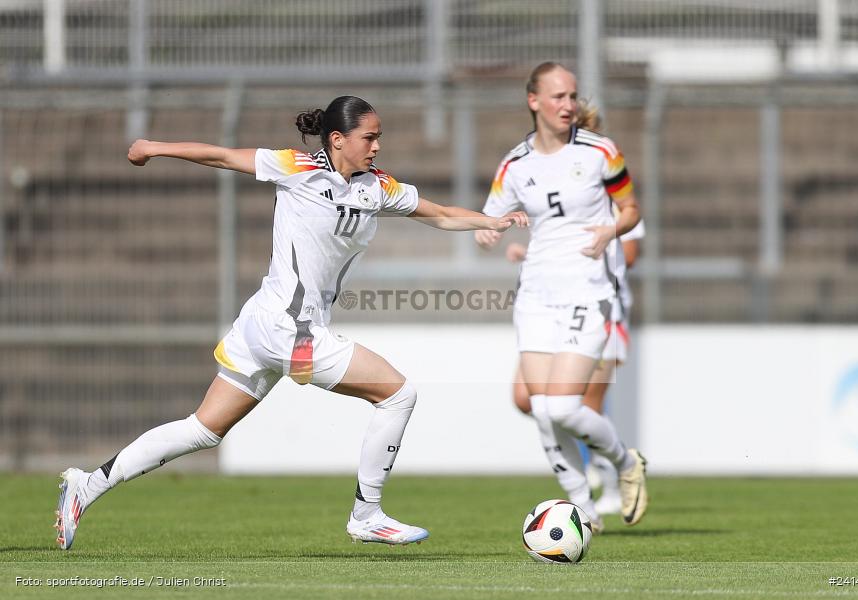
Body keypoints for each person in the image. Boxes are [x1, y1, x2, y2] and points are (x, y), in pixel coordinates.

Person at [54, 95, 528, 550]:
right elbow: (221, 156)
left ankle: (85, 486)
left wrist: (493, 220)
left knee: (203, 429)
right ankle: (367, 515)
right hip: (290, 331)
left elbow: (442, 215)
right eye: (370, 137)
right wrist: (155, 148)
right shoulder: (297, 168)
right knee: (399, 393)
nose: (378, 145)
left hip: (263, 324)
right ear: (338, 139)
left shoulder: (375, 185)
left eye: (380, 137)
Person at [474, 62, 648, 532]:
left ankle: (624, 463)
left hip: (587, 291)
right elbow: (490, 216)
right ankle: (582, 509)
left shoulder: (601, 152)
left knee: (565, 406)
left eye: (572, 95)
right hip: (535, 295)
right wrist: (491, 232)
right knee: (541, 407)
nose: (568, 104)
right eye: (557, 96)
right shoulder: (514, 164)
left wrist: (611, 228)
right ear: (534, 101)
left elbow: (631, 209)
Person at [504, 216, 644, 516]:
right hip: (548, 311)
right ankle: (596, 472)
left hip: (601, 309)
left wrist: (600, 239)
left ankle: (610, 482)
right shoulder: (551, 191)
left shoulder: (617, 204)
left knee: (586, 404)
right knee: (529, 400)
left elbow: (629, 255)